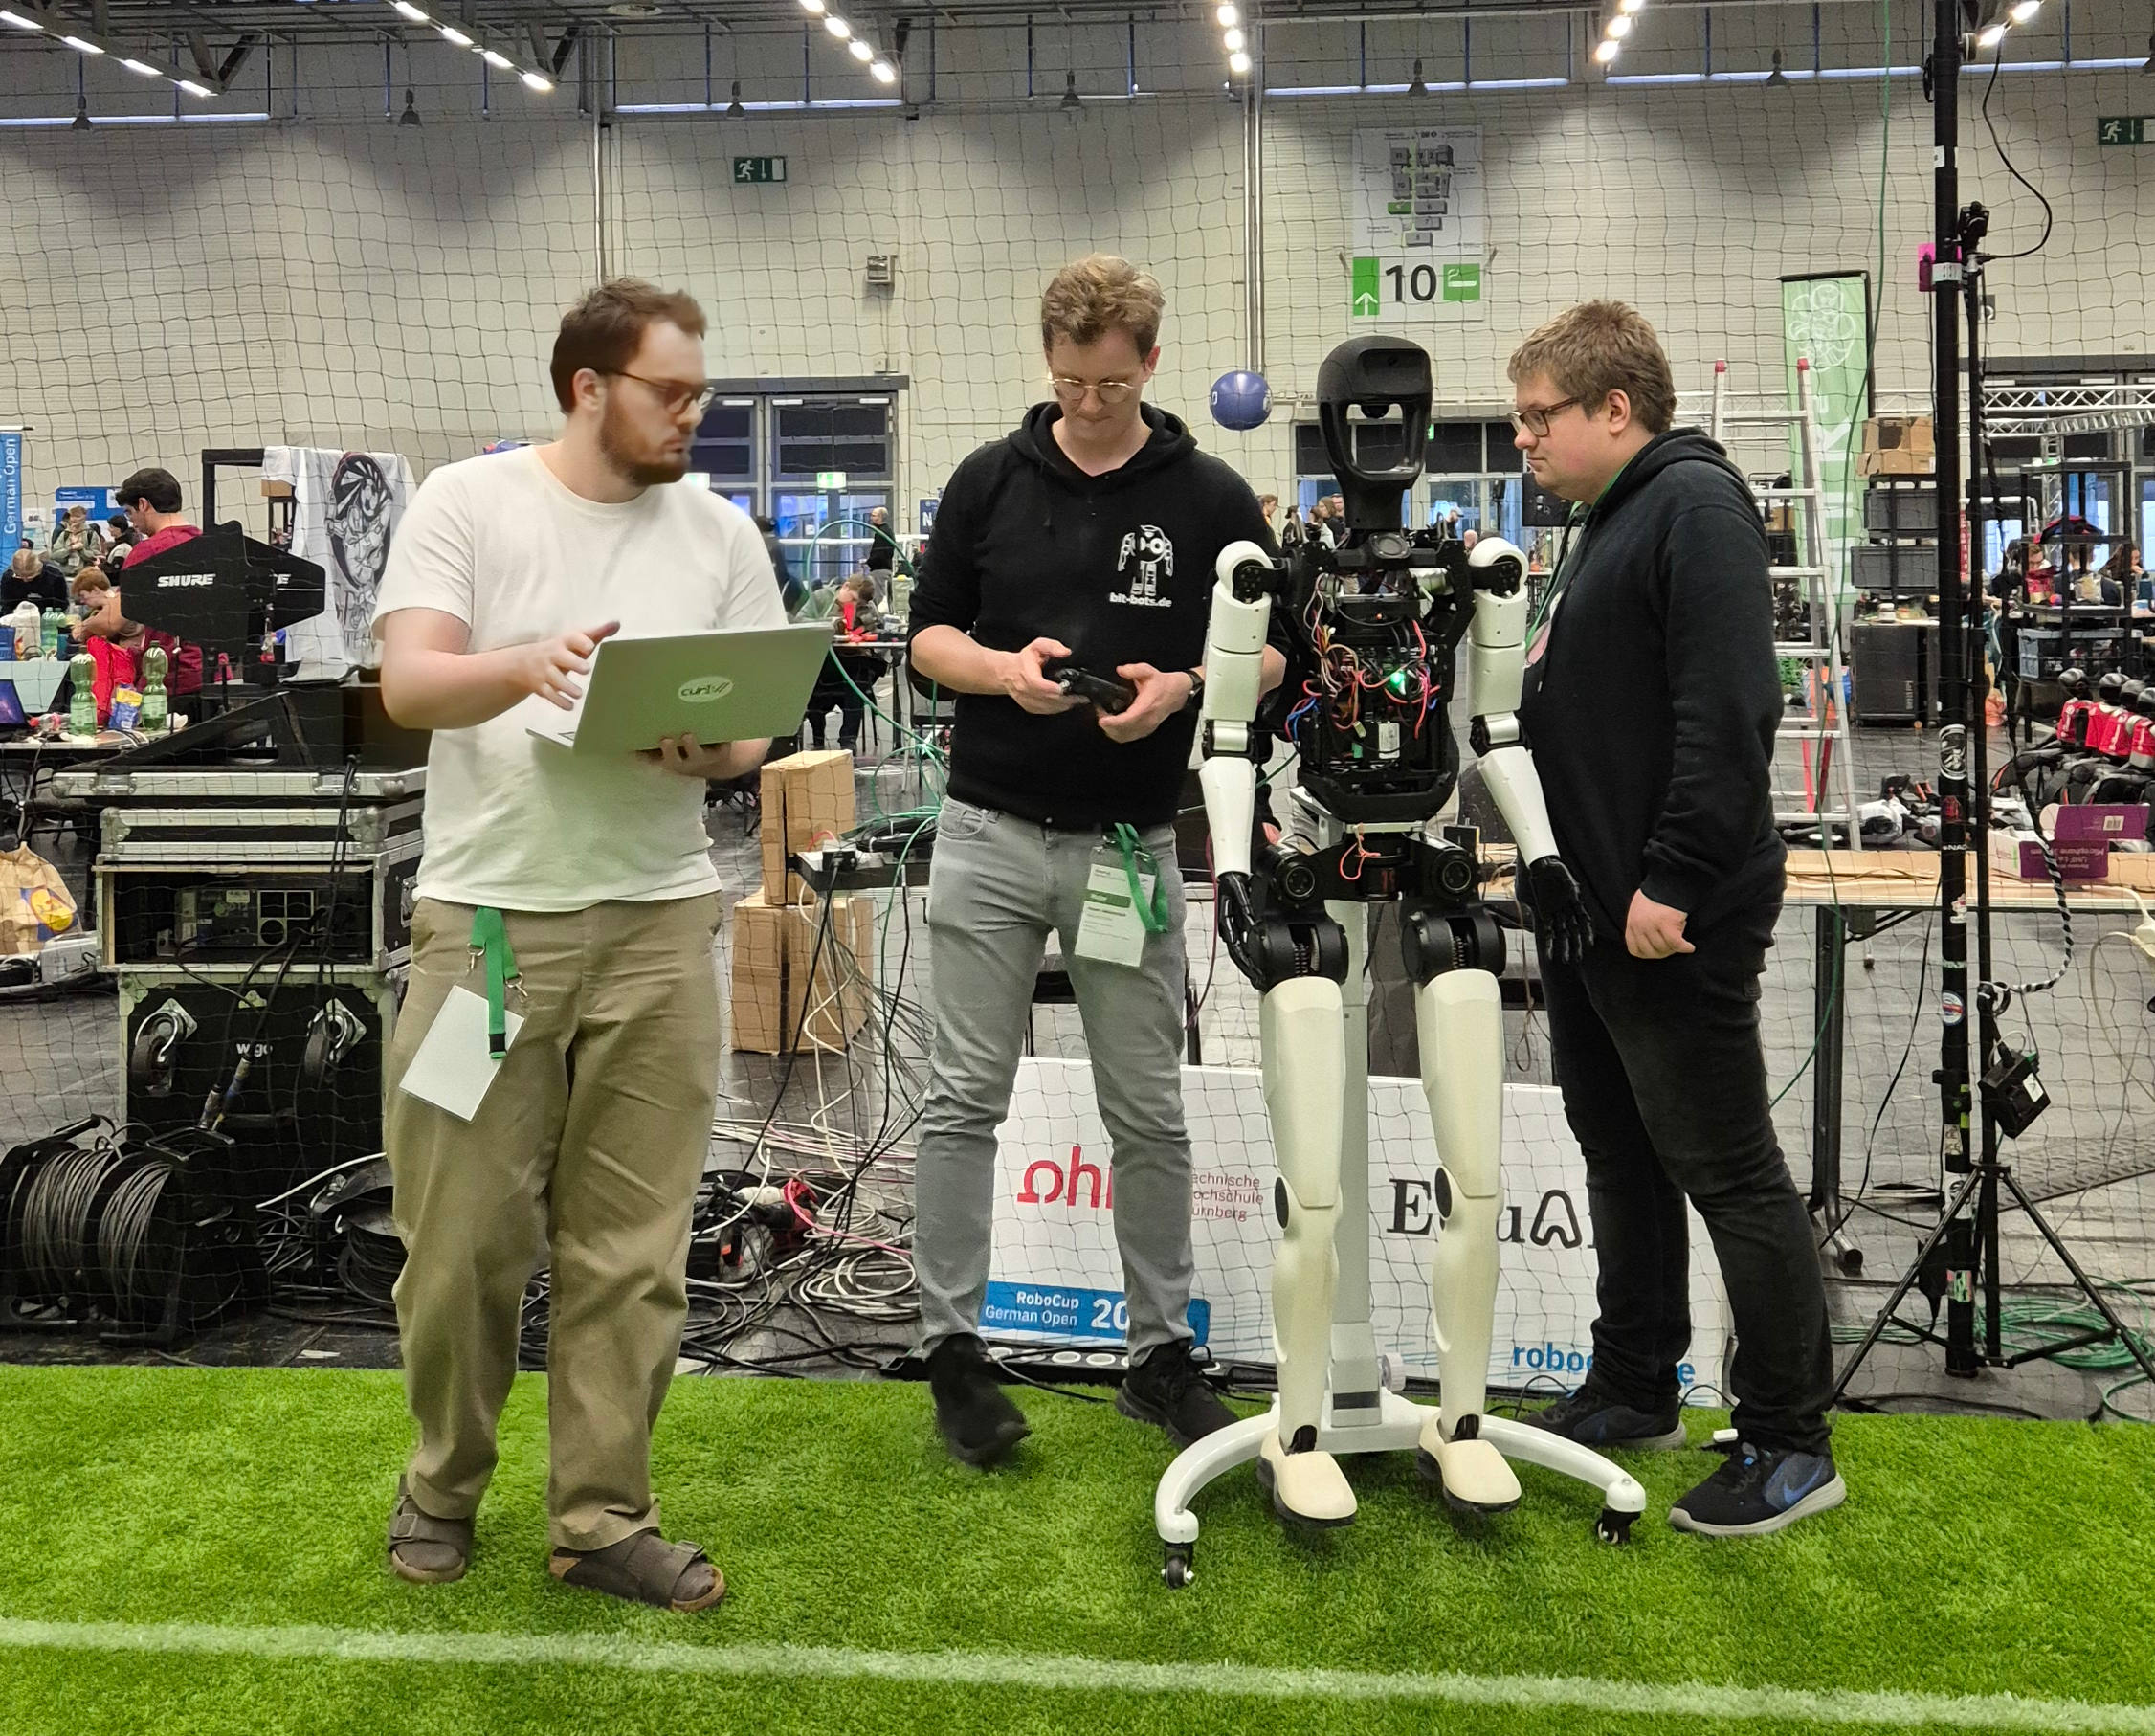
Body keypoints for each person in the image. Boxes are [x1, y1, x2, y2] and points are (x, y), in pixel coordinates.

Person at [372, 278, 784, 1613]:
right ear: (587, 387)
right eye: (670, 391)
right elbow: (408, 684)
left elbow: (752, 727)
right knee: (459, 1235)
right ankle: (441, 1483)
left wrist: (704, 746)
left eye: (700, 392)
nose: (691, 413)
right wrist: (532, 663)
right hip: (486, 937)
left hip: (662, 927)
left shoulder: (719, 531)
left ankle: (602, 1516)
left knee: (635, 1248)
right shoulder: (466, 503)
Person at [905, 252, 1285, 1467]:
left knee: (1147, 1110)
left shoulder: (1210, 499)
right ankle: (952, 1352)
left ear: (1151, 364)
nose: (1085, 402)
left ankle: (1158, 1352)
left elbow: (1277, 651)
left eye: (1110, 384)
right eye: (1068, 381)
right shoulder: (986, 480)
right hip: (986, 831)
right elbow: (925, 638)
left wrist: (1185, 686)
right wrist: (1001, 671)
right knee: (962, 1099)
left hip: (1127, 842)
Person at [1508, 300, 1843, 1537]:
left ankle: (1790, 1438)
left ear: (1614, 407)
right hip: (1594, 907)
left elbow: (1730, 709)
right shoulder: (1603, 520)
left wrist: (1674, 879)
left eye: (1538, 415)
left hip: (1667, 910)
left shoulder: (1693, 506)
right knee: (1620, 1149)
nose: (1523, 437)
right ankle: (1635, 1378)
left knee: (1727, 1166)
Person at [68, 564, 205, 725]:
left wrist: (85, 627)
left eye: (83, 596)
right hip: (148, 674)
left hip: (166, 679)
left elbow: (109, 625)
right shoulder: (110, 607)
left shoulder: (123, 602)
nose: (83, 602)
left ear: (96, 589)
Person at [804, 573, 884, 752]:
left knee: (857, 686)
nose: (854, 605)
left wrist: (864, 631)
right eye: (853, 600)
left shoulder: (868, 607)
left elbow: (878, 630)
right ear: (846, 586)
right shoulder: (821, 598)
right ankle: (818, 738)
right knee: (814, 690)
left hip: (852, 663)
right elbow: (799, 620)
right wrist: (829, 624)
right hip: (822, 661)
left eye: (859, 604)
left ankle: (848, 740)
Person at [114, 468, 201, 569]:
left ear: (143, 504)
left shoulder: (146, 552)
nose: (133, 524)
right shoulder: (206, 543)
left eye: (129, 512)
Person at [3, 545, 68, 613]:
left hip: (48, 616)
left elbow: (61, 606)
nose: (25, 580)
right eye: (20, 576)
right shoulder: (8, 577)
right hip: (16, 616)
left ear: (38, 568)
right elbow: (6, 606)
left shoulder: (55, 575)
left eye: (30, 576)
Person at [48, 504, 99, 575]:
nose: (74, 519)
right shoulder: (64, 534)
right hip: (66, 574)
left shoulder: (91, 534)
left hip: (85, 575)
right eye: (72, 516)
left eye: (77, 516)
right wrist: (69, 549)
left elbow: (96, 557)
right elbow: (54, 555)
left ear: (84, 518)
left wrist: (81, 550)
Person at [864, 505, 896, 586]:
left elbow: (879, 553)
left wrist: (869, 562)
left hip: (879, 571)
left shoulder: (882, 533)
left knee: (878, 593)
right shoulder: (886, 531)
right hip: (884, 569)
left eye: (873, 515)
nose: (871, 518)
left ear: (880, 517)